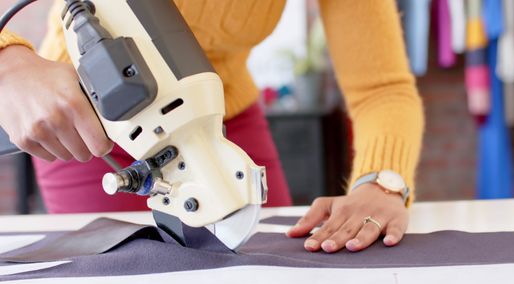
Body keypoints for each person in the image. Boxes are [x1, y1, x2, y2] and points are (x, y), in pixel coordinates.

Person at [0, 0, 424, 253]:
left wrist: (380, 184)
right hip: (91, 130)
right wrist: (8, 62)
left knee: (272, 282)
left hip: (222, 122)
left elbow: (381, 89)